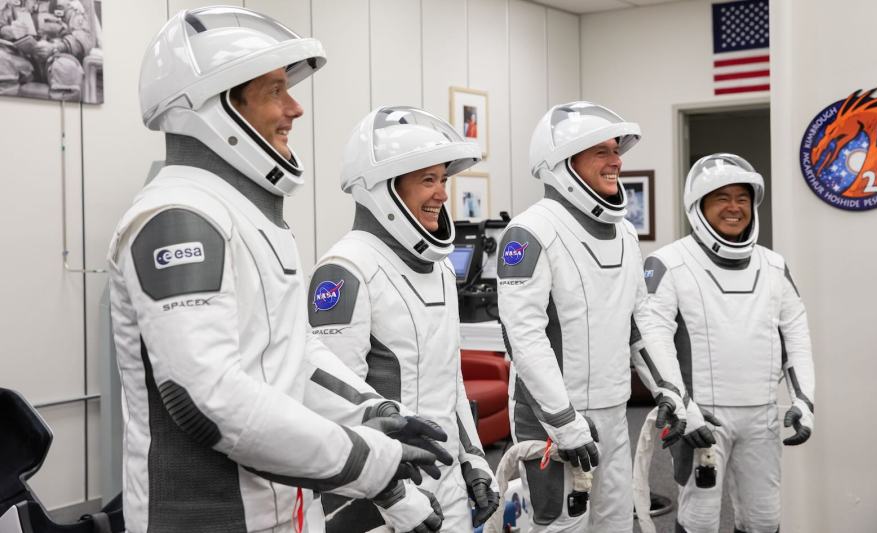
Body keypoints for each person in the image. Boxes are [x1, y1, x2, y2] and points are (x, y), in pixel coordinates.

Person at [109, 8, 448, 533]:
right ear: (216, 106)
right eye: (274, 92)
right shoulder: (178, 218)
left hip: (287, 507)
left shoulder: (246, 216)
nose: (295, 108)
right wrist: (369, 465)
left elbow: (289, 356)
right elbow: (208, 400)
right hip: (209, 520)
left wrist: (368, 411)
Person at [495, 101, 687, 533]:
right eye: (601, 151)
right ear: (564, 162)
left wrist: (669, 390)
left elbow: (639, 325)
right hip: (549, 420)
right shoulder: (530, 232)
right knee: (559, 527)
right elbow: (523, 338)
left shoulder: (624, 231)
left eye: (616, 149)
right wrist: (564, 423)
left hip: (614, 412)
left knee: (615, 523)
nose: (617, 160)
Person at [308, 105, 500, 532]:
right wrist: (397, 500)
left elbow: (451, 380)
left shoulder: (443, 267)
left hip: (445, 485)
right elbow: (336, 410)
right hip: (380, 499)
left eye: (443, 179)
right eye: (427, 180)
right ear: (383, 190)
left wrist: (474, 462)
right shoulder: (345, 269)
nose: (442, 194)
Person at [641, 153, 815, 533]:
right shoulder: (668, 263)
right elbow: (650, 337)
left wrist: (803, 400)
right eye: (722, 198)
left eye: (743, 198)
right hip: (702, 418)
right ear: (698, 206)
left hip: (762, 416)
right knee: (699, 519)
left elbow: (797, 333)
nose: (735, 207)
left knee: (764, 519)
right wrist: (682, 408)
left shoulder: (773, 266)